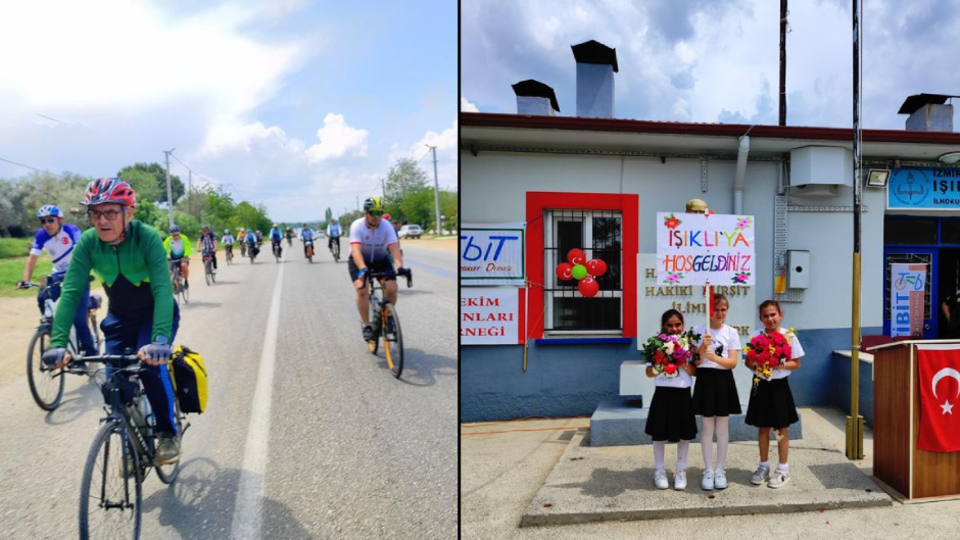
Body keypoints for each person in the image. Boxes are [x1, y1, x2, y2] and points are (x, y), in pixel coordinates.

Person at [41, 178, 182, 464]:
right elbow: (70, 293)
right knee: (113, 385)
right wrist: (58, 342)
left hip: (154, 315)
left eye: (110, 213)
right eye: (95, 213)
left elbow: (163, 290)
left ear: (128, 213)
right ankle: (131, 444)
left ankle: (167, 433)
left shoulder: (147, 237)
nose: (102, 220)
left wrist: (160, 340)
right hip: (119, 317)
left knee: (150, 369)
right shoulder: (89, 243)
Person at [15, 205, 97, 358]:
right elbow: (32, 260)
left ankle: (91, 355)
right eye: (43, 221)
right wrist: (25, 280)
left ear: (59, 220)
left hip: (77, 276)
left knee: (79, 320)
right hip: (58, 275)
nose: (47, 224)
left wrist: (77, 273)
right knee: (42, 296)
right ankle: (56, 335)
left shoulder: (71, 230)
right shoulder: (41, 235)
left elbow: (80, 249)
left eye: (51, 220)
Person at [744, 300, 803, 489]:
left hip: (779, 387)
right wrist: (757, 365)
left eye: (773, 314)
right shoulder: (755, 336)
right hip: (761, 385)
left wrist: (781, 364)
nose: (770, 319)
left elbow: (796, 363)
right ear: (760, 318)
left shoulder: (788, 336)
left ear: (780, 314)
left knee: (780, 429)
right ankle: (763, 466)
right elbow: (748, 362)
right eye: (765, 315)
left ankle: (783, 469)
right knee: (762, 428)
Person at [691, 294, 742, 491]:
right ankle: (708, 469)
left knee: (722, 425)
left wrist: (715, 358)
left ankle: (720, 469)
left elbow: (733, 362)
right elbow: (695, 361)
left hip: (723, 380)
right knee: (706, 425)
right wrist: (703, 347)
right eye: (716, 309)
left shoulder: (731, 332)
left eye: (723, 309)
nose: (720, 313)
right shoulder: (699, 330)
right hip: (705, 379)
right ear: (708, 311)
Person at [645, 309, 698, 490]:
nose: (674, 328)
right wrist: (660, 364)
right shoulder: (655, 344)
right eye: (670, 325)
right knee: (659, 432)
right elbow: (648, 373)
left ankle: (681, 470)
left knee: (684, 433)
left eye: (677, 324)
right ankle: (659, 469)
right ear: (663, 326)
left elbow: (696, 371)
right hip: (662, 392)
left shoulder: (690, 344)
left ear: (683, 325)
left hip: (682, 393)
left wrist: (683, 362)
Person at [349, 196, 410, 340]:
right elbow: (356, 251)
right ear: (366, 213)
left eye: (379, 213)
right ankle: (366, 325)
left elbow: (394, 248)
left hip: (380, 260)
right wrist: (363, 269)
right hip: (359, 261)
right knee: (362, 290)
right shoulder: (357, 225)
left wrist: (400, 267)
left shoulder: (386, 225)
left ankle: (388, 316)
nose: (377, 217)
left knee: (391, 288)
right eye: (373, 213)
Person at [162, 225, 192, 289]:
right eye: (173, 235)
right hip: (173, 258)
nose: (175, 237)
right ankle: (175, 283)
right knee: (169, 272)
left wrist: (186, 256)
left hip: (183, 257)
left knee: (184, 265)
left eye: (177, 235)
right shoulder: (168, 240)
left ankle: (186, 281)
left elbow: (188, 247)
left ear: (179, 233)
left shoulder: (184, 238)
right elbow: (163, 248)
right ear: (171, 235)